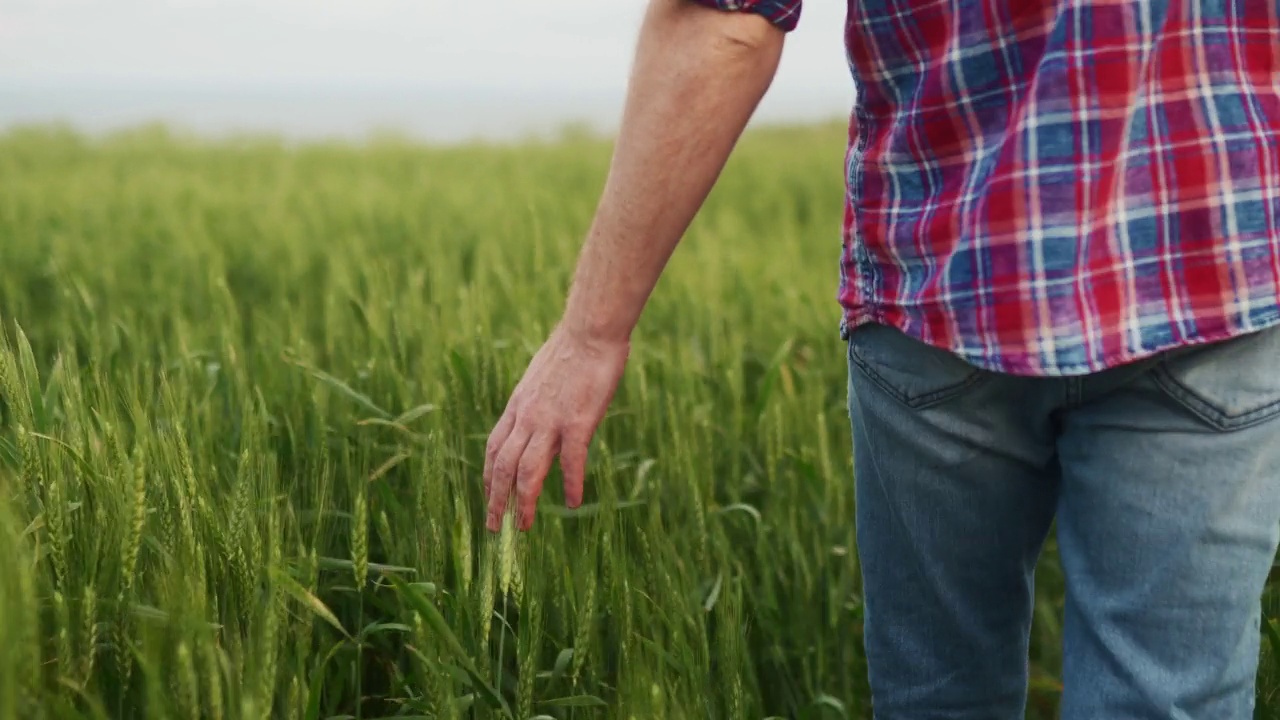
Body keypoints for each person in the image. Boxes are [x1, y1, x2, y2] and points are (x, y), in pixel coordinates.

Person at [481, 0, 1280, 717]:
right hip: (1208, 267)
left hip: (942, 282)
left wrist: (591, 334)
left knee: (942, 700)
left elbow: (723, 20)